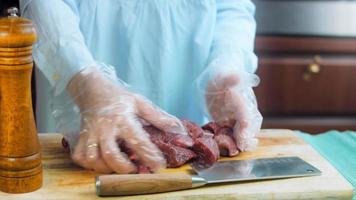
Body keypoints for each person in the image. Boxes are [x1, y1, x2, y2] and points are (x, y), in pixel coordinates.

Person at [20, 0, 263, 174]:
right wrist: (83, 79)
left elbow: (231, 7)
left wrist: (226, 65)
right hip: (83, 94)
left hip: (186, 82)